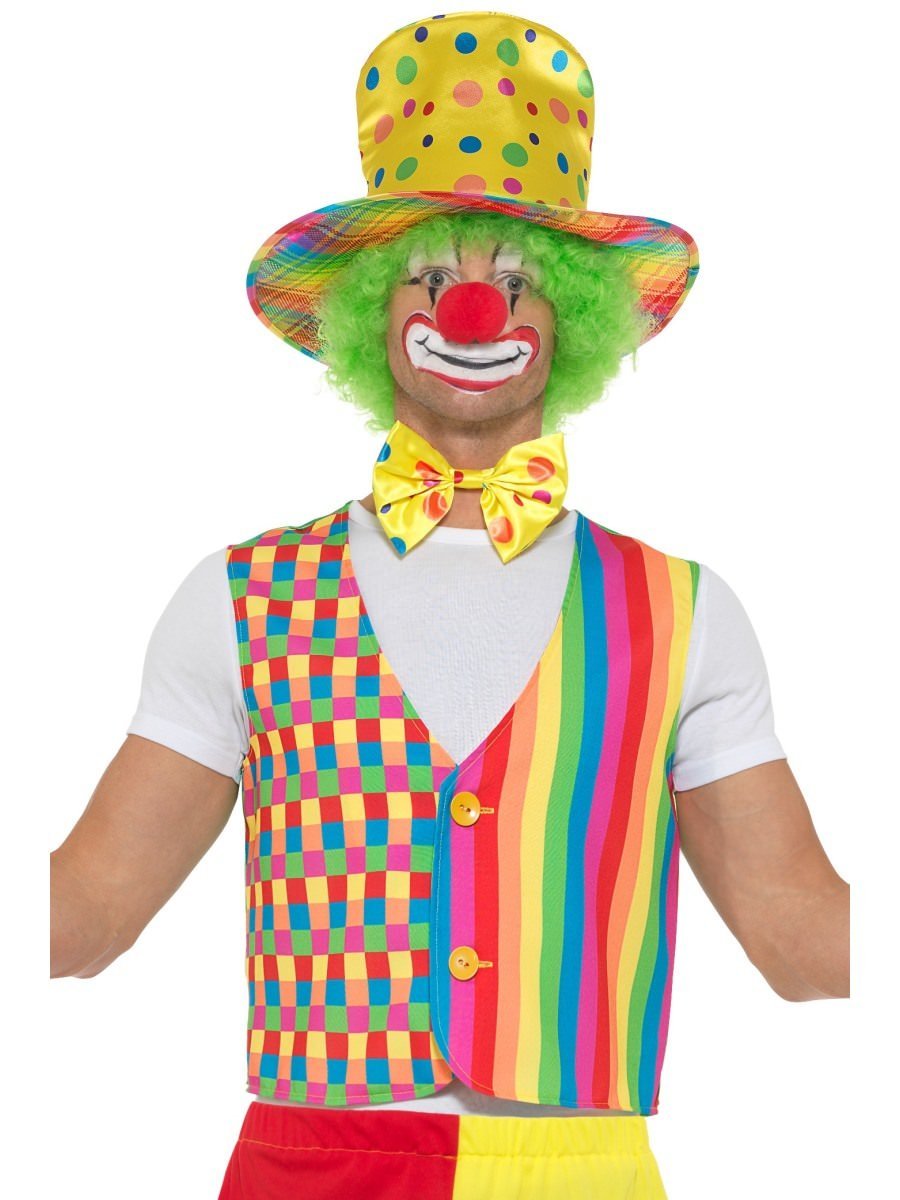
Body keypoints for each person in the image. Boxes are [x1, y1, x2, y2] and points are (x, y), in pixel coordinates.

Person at [49, 11, 850, 1198]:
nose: (476, 311)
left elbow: (799, 940)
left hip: (579, 1172)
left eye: (518, 282)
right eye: (433, 278)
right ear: (374, 310)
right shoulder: (240, 599)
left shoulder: (682, 611)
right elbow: (90, 911)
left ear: (572, 320)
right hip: (316, 1166)